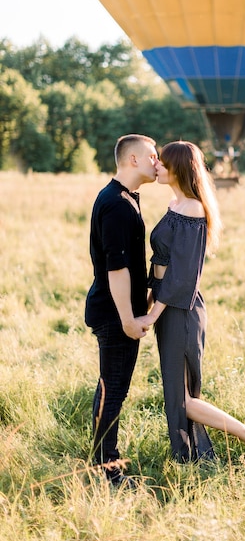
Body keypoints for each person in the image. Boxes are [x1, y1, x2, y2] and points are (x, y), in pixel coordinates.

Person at [138, 140, 245, 463]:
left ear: (178, 168)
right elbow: (161, 263)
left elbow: (183, 276)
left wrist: (153, 314)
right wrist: (148, 298)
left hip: (180, 310)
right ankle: (227, 442)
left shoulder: (193, 210)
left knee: (180, 398)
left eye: (162, 163)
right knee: (177, 394)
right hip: (167, 305)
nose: (156, 166)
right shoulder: (175, 204)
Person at [85, 133, 158, 488]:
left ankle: (100, 459)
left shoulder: (124, 198)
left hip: (117, 310)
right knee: (114, 388)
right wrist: (128, 319)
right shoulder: (116, 203)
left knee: (110, 386)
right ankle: (107, 470)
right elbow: (116, 268)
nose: (157, 163)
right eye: (153, 156)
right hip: (115, 314)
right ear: (133, 160)